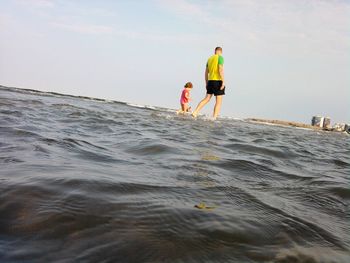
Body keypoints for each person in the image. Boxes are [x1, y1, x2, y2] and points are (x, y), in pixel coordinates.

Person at [192, 47, 225, 119]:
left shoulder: (209, 59)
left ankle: (195, 112)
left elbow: (206, 72)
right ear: (221, 52)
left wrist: (206, 83)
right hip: (218, 81)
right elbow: (220, 69)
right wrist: (223, 82)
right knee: (218, 101)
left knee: (207, 98)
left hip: (210, 81)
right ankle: (214, 117)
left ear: (215, 51)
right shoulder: (220, 58)